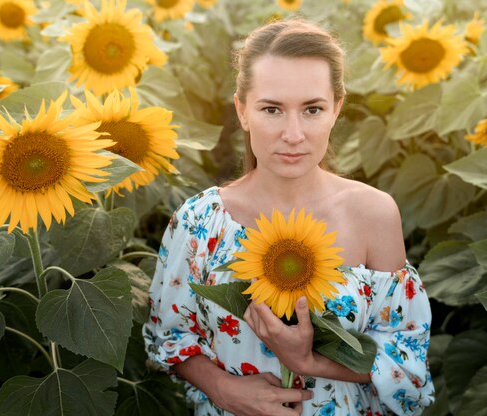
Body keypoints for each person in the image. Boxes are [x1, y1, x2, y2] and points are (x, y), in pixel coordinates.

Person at [143, 19, 434, 416]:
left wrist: (308, 362)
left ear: (337, 109)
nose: (293, 134)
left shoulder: (373, 214)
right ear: (242, 111)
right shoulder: (200, 220)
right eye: (272, 109)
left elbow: (406, 358)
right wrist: (225, 389)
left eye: (312, 109)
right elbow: (170, 337)